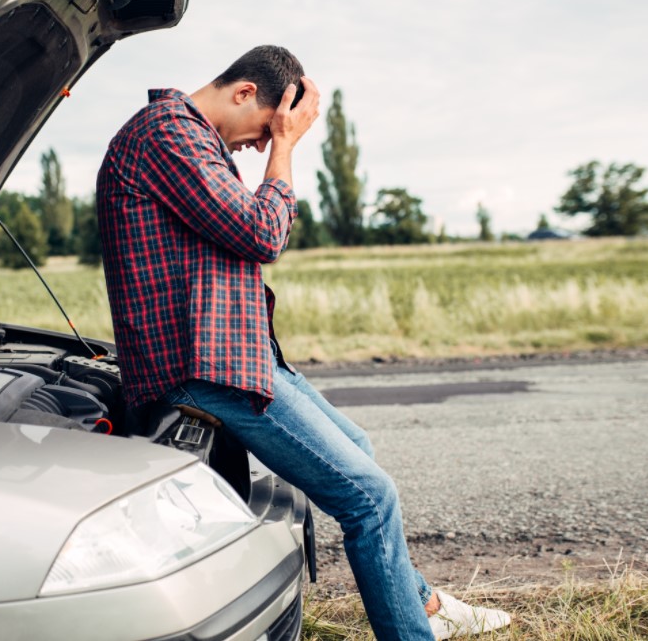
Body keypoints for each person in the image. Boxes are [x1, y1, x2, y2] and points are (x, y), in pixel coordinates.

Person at [96, 45, 512, 640]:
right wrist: (288, 149)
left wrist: (279, 139)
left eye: (272, 140)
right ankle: (413, 630)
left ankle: (422, 608)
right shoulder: (169, 133)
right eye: (266, 128)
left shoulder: (187, 137)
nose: (262, 146)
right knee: (369, 498)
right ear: (243, 92)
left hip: (236, 356)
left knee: (358, 447)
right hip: (205, 368)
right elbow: (260, 231)